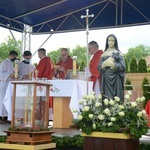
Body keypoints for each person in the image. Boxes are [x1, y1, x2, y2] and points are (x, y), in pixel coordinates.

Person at [98, 34, 125, 102]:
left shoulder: (119, 54)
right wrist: (104, 64)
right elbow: (99, 67)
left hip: (116, 79)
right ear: (107, 41)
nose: (110, 42)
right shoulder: (104, 54)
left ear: (115, 42)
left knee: (116, 97)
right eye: (109, 40)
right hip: (106, 79)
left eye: (112, 41)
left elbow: (122, 66)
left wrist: (112, 64)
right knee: (106, 98)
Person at [0, 50, 18, 124]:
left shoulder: (11, 63)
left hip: (9, 84)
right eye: (15, 57)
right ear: (11, 55)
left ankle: (7, 117)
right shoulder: (5, 62)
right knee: (2, 100)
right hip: (4, 83)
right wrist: (8, 75)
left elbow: (12, 73)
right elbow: (0, 72)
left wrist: (15, 75)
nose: (15, 58)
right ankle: (1, 117)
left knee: (8, 100)